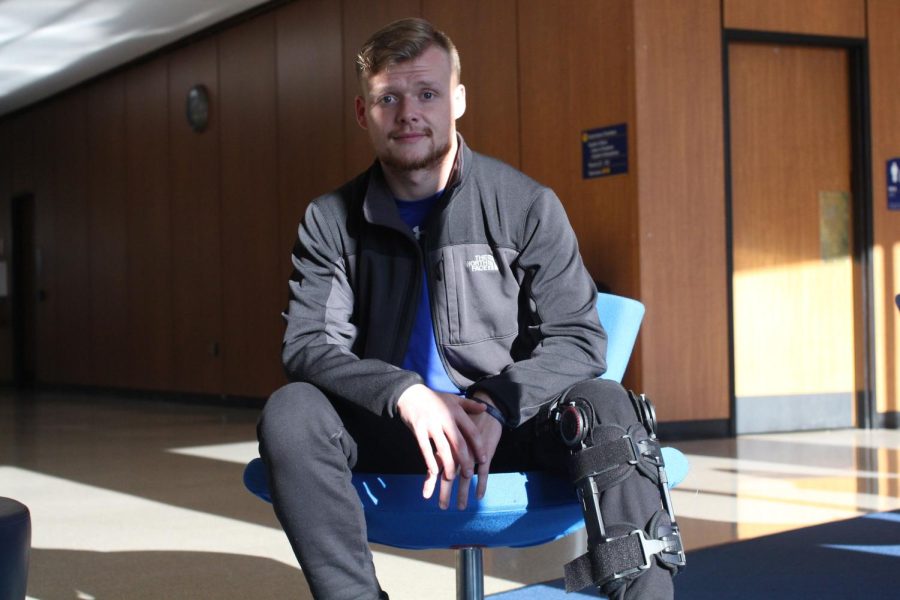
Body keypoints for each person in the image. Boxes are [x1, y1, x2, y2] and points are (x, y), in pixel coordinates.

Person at [257, 17, 681, 600]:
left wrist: (497, 403)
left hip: (508, 427)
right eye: (389, 98)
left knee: (607, 403)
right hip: (397, 429)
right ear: (364, 113)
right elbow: (308, 344)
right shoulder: (331, 219)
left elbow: (580, 340)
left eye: (427, 93)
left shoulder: (526, 204)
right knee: (291, 412)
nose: (409, 113)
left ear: (457, 100)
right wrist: (405, 394)